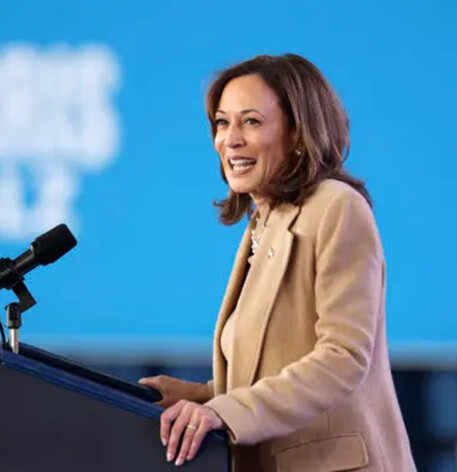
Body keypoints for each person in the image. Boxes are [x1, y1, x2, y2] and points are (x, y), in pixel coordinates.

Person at [140, 53, 416, 471]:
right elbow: (276, 368)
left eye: (250, 121)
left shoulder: (337, 208)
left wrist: (224, 412)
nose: (230, 139)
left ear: (298, 133)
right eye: (221, 122)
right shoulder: (262, 223)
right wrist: (203, 395)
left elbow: (342, 357)